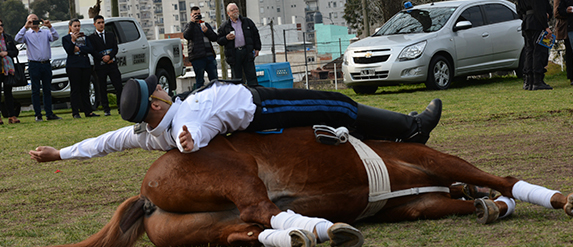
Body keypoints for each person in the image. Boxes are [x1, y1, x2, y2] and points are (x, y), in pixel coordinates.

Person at [29, 75, 441, 161]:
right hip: (264, 106)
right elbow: (191, 134)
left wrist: (59, 153)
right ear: (156, 105)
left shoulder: (144, 133)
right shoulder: (184, 117)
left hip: (257, 102)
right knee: (339, 104)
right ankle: (412, 128)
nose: (161, 88)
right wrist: (187, 141)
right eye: (157, 90)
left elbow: (105, 141)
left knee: (337, 108)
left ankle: (394, 136)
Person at [15, 14, 61, 121]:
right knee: (35, 90)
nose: (34, 22)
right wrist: (26, 26)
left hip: (45, 63)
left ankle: (49, 113)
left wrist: (50, 27)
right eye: (31, 21)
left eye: (35, 20)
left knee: (47, 89)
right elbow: (17, 39)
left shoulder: (45, 32)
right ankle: (38, 114)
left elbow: (55, 37)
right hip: (34, 64)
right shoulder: (26, 34)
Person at [62, 19, 100, 119]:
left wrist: (79, 49)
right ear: (70, 26)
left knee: (85, 89)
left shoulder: (85, 37)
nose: (77, 28)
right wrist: (73, 41)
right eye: (75, 26)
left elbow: (90, 49)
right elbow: (69, 50)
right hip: (73, 66)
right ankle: (75, 112)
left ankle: (88, 111)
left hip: (85, 65)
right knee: (75, 89)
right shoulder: (66, 38)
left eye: (78, 26)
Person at [217, 3, 261, 86]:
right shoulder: (224, 26)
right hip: (234, 54)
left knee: (251, 75)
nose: (235, 11)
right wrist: (226, 38)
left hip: (247, 51)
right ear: (228, 13)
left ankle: (255, 93)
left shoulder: (247, 22)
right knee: (236, 78)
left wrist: (257, 48)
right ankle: (239, 95)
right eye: (232, 10)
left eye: (236, 9)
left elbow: (255, 34)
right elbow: (219, 40)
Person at [88, 15, 123, 116]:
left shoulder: (110, 35)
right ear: (94, 24)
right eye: (99, 23)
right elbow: (93, 51)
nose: (101, 24)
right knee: (102, 88)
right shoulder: (92, 38)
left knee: (118, 86)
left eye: (102, 22)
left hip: (112, 64)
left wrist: (110, 56)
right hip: (100, 66)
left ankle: (120, 107)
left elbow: (115, 48)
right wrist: (102, 57)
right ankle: (106, 109)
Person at [516, 0, 553, 90]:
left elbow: (519, 10)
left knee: (529, 51)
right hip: (537, 23)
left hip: (527, 22)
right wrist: (546, 26)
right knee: (539, 51)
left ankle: (528, 80)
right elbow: (539, 8)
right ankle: (537, 80)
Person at [183, 6, 218, 89]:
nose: (197, 15)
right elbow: (187, 36)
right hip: (197, 57)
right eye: (195, 14)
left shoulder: (205, 24)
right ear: (191, 15)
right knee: (200, 80)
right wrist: (192, 22)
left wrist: (207, 31)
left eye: (198, 13)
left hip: (209, 55)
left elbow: (215, 38)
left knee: (214, 79)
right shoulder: (189, 25)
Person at [0, 18, 20, 125]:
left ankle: (12, 116)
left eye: (1, 25)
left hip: (8, 69)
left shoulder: (8, 38)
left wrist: (7, 53)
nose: (0, 27)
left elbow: (15, 52)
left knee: (8, 94)